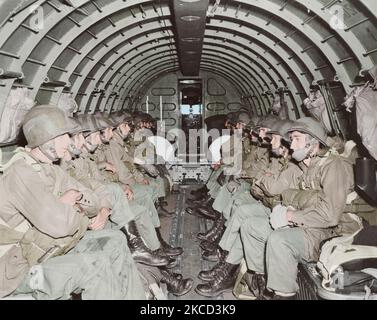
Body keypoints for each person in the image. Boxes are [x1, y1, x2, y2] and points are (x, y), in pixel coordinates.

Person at [0, 105, 145, 299]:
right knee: (96, 267)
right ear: (46, 140)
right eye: (63, 137)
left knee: (115, 241)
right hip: (17, 270)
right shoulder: (21, 172)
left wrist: (71, 201)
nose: (68, 142)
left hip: (47, 249)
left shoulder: (50, 169)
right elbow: (63, 227)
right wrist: (71, 206)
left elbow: (92, 201)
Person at [240, 117, 360, 299]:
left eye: (296, 139)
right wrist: (285, 209)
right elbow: (290, 196)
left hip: (336, 233)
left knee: (280, 240)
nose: (292, 145)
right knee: (251, 227)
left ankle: (283, 295)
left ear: (313, 143)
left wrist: (289, 216)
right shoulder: (305, 166)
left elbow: (330, 216)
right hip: (309, 225)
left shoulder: (334, 166)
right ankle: (260, 283)